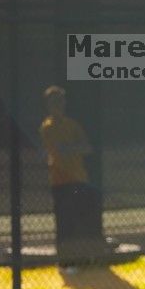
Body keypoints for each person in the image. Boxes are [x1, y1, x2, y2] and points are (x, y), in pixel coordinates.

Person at [39, 85, 99, 270]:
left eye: (60, 101)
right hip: (60, 182)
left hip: (78, 180)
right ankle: (65, 262)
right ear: (48, 105)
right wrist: (71, 148)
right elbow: (58, 150)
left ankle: (82, 260)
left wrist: (71, 148)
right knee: (64, 225)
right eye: (53, 102)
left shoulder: (72, 125)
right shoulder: (47, 127)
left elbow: (86, 147)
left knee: (79, 223)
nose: (58, 105)